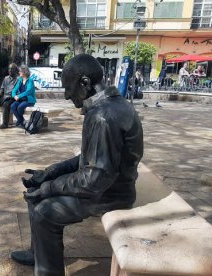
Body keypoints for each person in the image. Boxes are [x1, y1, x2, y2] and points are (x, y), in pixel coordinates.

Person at [10, 54, 144, 275]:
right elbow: (90, 158)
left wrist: (49, 187)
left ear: (85, 83)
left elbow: (95, 178)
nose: (66, 95)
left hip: (111, 193)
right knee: (36, 189)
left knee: (44, 210)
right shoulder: (107, 106)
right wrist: (51, 172)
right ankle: (38, 254)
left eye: (68, 88)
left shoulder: (103, 116)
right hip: (110, 183)